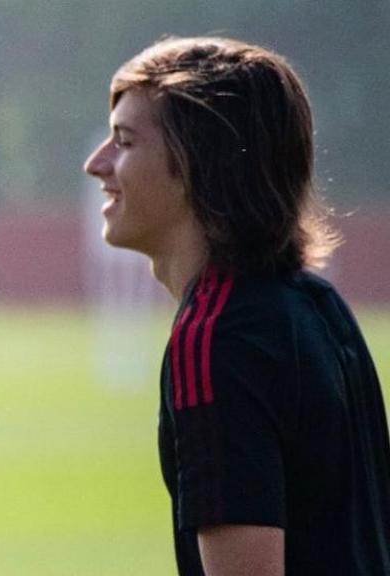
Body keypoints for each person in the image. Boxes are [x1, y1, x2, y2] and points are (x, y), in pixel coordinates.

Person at [83, 37, 390, 575]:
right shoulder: (315, 305)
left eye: (125, 142)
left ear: (199, 162)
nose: (96, 164)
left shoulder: (217, 338)